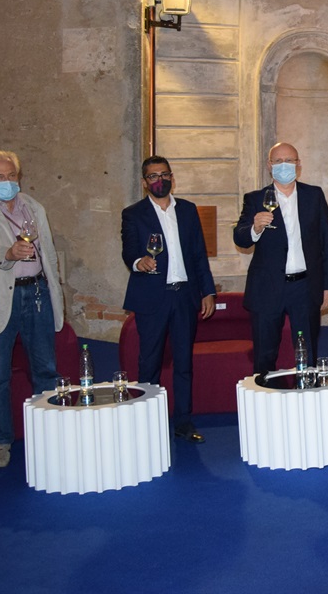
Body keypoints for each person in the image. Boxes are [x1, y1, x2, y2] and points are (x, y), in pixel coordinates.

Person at [0, 150, 66, 469]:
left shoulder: (33, 206)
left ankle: (51, 434)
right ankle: (1, 442)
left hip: (37, 293)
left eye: (11, 175)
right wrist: (7, 253)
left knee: (45, 369)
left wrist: (54, 286)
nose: (7, 182)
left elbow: (48, 252)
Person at [121, 156, 217, 443]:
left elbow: (199, 254)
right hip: (152, 298)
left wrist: (208, 291)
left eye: (164, 175)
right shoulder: (133, 214)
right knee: (149, 362)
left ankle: (183, 422)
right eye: (153, 176)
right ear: (144, 182)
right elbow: (129, 251)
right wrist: (139, 262)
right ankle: (147, 422)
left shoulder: (187, 210)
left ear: (172, 178)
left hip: (184, 297)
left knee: (184, 363)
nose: (159, 180)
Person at [234, 142, 328, 375]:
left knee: (307, 352)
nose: (284, 165)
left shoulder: (314, 195)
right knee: (265, 354)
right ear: (269, 165)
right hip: (267, 287)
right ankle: (265, 393)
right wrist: (255, 228)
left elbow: (327, 242)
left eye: (289, 160)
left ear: (298, 164)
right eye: (278, 161)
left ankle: (307, 391)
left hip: (305, 287)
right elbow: (240, 238)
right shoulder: (256, 199)